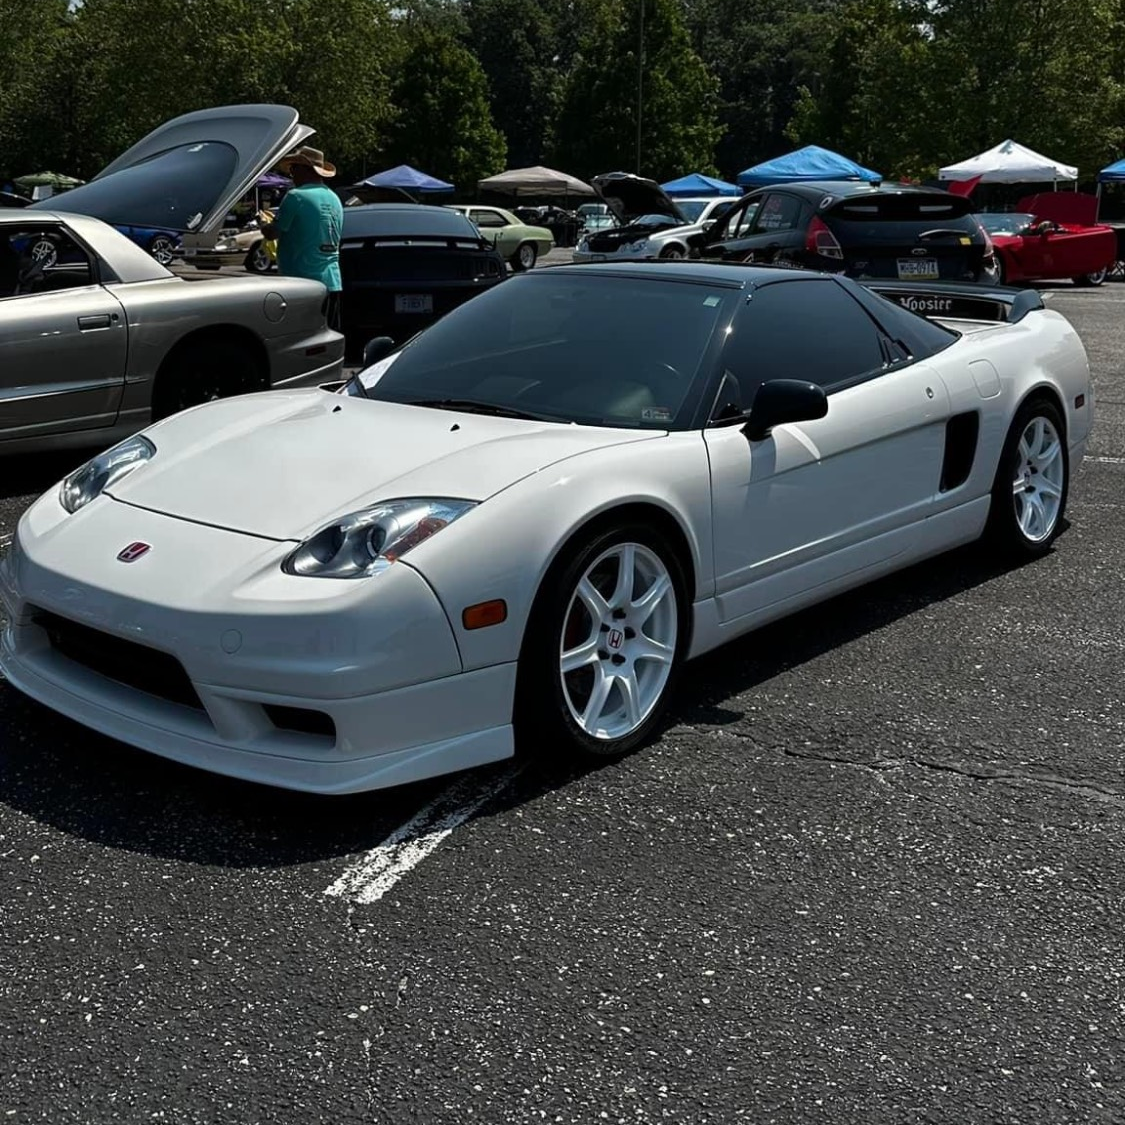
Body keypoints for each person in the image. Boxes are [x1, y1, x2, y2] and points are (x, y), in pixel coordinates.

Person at [261, 146, 344, 330]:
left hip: (301, 282)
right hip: (333, 281)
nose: (292, 175)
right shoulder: (335, 198)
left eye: (293, 169)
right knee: (328, 336)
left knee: (300, 341)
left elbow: (272, 233)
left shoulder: (296, 197)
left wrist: (263, 225)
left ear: (305, 170)